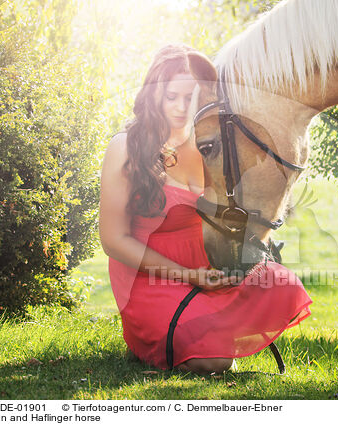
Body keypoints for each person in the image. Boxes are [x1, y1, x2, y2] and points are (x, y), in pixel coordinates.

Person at [99, 44, 312, 374]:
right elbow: (113, 241)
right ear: (154, 94)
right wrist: (187, 275)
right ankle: (187, 338)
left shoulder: (209, 145)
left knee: (282, 285)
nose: (182, 108)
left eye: (191, 98)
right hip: (151, 276)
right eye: (172, 97)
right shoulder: (125, 148)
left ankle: (207, 332)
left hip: (207, 268)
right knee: (214, 362)